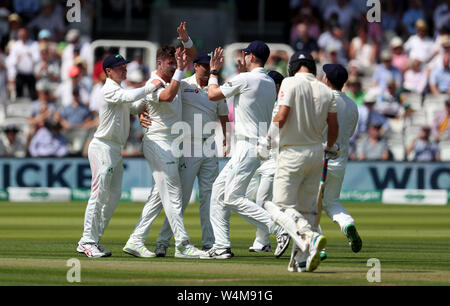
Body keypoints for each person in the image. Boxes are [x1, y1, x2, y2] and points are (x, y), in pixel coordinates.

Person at [123, 22, 205, 259]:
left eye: (176, 63)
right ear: (159, 63)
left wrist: (186, 40)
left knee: (159, 196)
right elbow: (167, 97)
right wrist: (179, 71)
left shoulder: (173, 78)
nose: (175, 66)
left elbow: (193, 56)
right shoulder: (155, 83)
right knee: (174, 193)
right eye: (170, 63)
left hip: (171, 143)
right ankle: (182, 244)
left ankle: (135, 240)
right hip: (158, 143)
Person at [201, 41, 289, 259]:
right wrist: (240, 74)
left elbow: (212, 94)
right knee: (218, 192)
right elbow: (248, 91)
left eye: (246, 54)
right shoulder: (269, 81)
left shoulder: (246, 79)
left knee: (232, 197)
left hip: (247, 145)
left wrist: (213, 71)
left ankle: (280, 228)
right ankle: (221, 245)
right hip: (254, 146)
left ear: (249, 56)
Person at [138, 51, 229, 256]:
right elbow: (149, 100)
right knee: (181, 197)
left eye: (210, 66)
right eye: (204, 66)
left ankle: (209, 243)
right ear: (195, 66)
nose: (207, 69)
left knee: (211, 196)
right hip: (187, 145)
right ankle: (163, 242)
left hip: (209, 145)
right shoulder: (184, 84)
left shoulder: (216, 88)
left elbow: (223, 116)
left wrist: (227, 138)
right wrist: (140, 114)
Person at [76, 53, 163, 258]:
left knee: (113, 197)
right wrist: (152, 85)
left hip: (115, 149)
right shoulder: (108, 90)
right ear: (108, 71)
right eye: (120, 67)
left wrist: (144, 107)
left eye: (125, 66)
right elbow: (129, 98)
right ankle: (87, 240)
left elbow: (133, 105)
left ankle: (93, 239)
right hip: (102, 147)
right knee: (98, 195)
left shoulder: (119, 90)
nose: (124, 69)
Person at [263, 51, 339, 273]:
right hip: (316, 153)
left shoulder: (290, 82)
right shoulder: (326, 90)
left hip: (292, 153)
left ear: (293, 67)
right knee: (306, 210)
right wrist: (330, 147)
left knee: (278, 207)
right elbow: (334, 128)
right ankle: (302, 260)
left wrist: (267, 140)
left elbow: (282, 115)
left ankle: (311, 237)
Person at [318, 64, 362, 261]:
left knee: (309, 205)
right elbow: (350, 133)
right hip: (340, 160)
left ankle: (318, 246)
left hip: (319, 159)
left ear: (326, 80)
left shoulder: (321, 100)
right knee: (331, 202)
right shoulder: (353, 105)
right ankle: (347, 223)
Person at [245, 70, 290, 257]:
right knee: (245, 199)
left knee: (263, 201)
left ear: (277, 87)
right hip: (257, 157)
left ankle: (267, 239)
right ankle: (265, 239)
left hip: (273, 159)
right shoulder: (263, 102)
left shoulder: (284, 105)